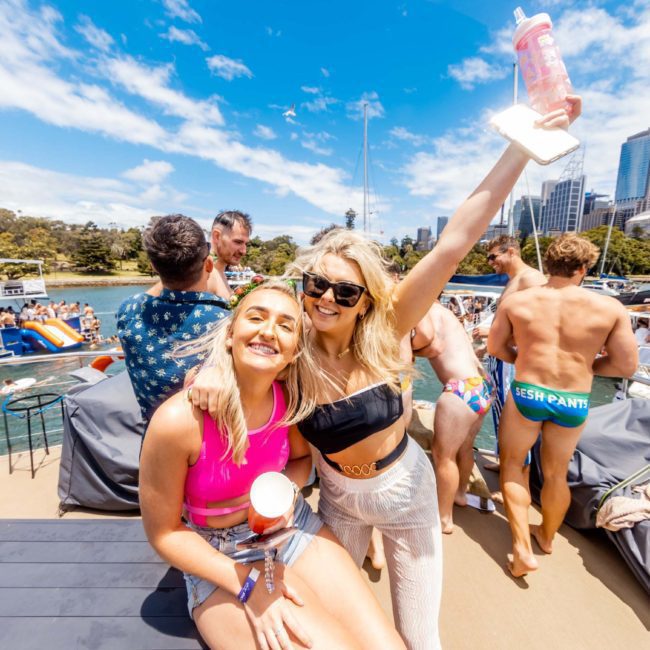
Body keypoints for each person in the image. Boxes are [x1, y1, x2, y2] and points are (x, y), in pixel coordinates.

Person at [140, 281, 405, 650]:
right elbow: (164, 533)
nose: (268, 330)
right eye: (256, 317)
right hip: (217, 556)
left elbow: (299, 460)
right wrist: (248, 586)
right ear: (230, 334)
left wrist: (285, 495)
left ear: (295, 352)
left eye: (285, 325)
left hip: (290, 529)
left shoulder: (287, 403)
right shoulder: (178, 422)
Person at [487, 234, 638, 578]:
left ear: (548, 266)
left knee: (512, 465)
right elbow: (625, 367)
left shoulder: (519, 302)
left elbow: (496, 348)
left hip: (528, 391)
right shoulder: (610, 308)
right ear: (584, 268)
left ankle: (522, 549)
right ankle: (546, 537)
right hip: (573, 399)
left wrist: (523, 358)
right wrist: (587, 366)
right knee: (557, 473)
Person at [117, 215, 229, 423]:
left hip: (152, 439)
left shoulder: (128, 311)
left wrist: (165, 266)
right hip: (205, 444)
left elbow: (150, 296)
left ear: (153, 266)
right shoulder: (224, 321)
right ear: (208, 265)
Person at [412, 300, 493, 534]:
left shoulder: (423, 309)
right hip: (481, 384)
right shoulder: (445, 313)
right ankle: (460, 495)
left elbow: (433, 347)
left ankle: (444, 518)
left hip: (460, 389)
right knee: (465, 448)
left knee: (443, 455)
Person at [473, 235, 547, 470]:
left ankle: (517, 471)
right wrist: (487, 347)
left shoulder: (532, 279)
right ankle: (505, 460)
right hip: (501, 358)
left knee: (512, 416)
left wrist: (492, 335)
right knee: (501, 411)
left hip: (513, 361)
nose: (490, 262)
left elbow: (539, 326)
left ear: (512, 251)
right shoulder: (513, 280)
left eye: (493, 256)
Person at [208, 210, 253, 300]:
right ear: (217, 236)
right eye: (238, 242)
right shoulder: (204, 276)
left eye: (245, 244)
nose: (243, 251)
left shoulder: (219, 272)